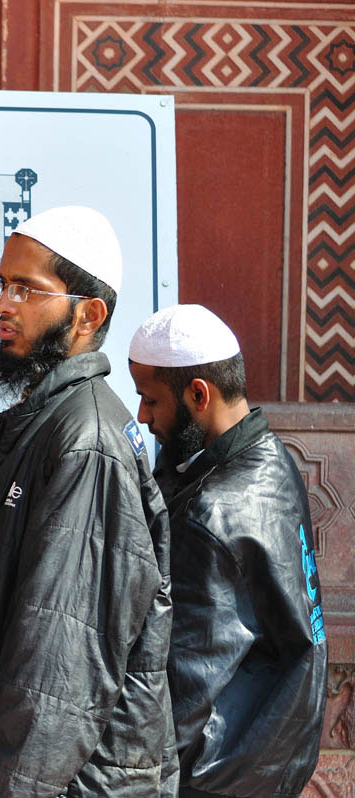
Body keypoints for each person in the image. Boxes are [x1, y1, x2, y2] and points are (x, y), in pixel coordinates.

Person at [0, 206, 177, 796]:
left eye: (25, 289)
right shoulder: (46, 423)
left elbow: (58, 682)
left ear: (89, 315)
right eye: (2, 284)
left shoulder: (85, 443)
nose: (2, 306)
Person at [128, 304, 327, 797]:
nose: (141, 416)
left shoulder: (211, 514)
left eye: (150, 400)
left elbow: (182, 693)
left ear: (199, 394)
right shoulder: (270, 458)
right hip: (271, 761)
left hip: (215, 776)